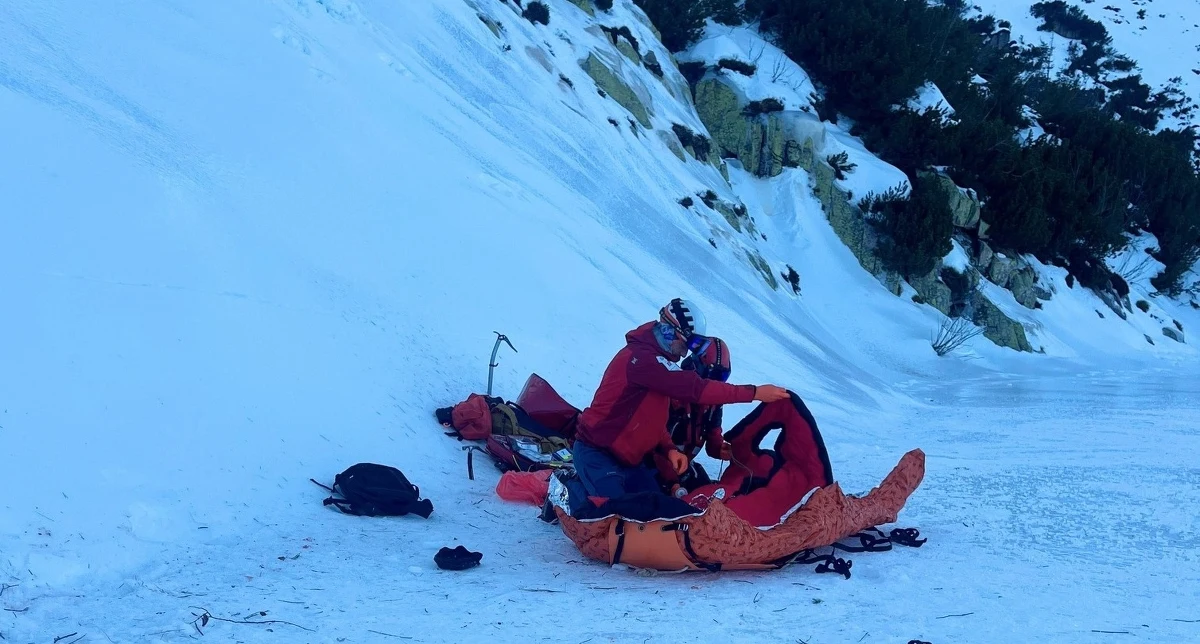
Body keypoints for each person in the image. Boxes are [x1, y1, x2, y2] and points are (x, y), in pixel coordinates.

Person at [571, 298, 791, 502]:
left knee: (656, 510)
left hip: (629, 462)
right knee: (617, 513)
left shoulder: (659, 366)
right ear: (672, 332)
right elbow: (695, 388)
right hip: (598, 452)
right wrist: (754, 393)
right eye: (691, 343)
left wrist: (670, 450)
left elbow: (653, 422)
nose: (687, 351)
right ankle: (565, 487)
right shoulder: (643, 359)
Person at [652, 336, 734, 494]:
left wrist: (720, 450)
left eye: (722, 377)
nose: (717, 383)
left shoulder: (713, 405)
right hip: (653, 466)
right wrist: (672, 482)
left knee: (713, 495)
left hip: (681, 468)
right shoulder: (671, 394)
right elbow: (653, 443)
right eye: (714, 375)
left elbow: (713, 439)